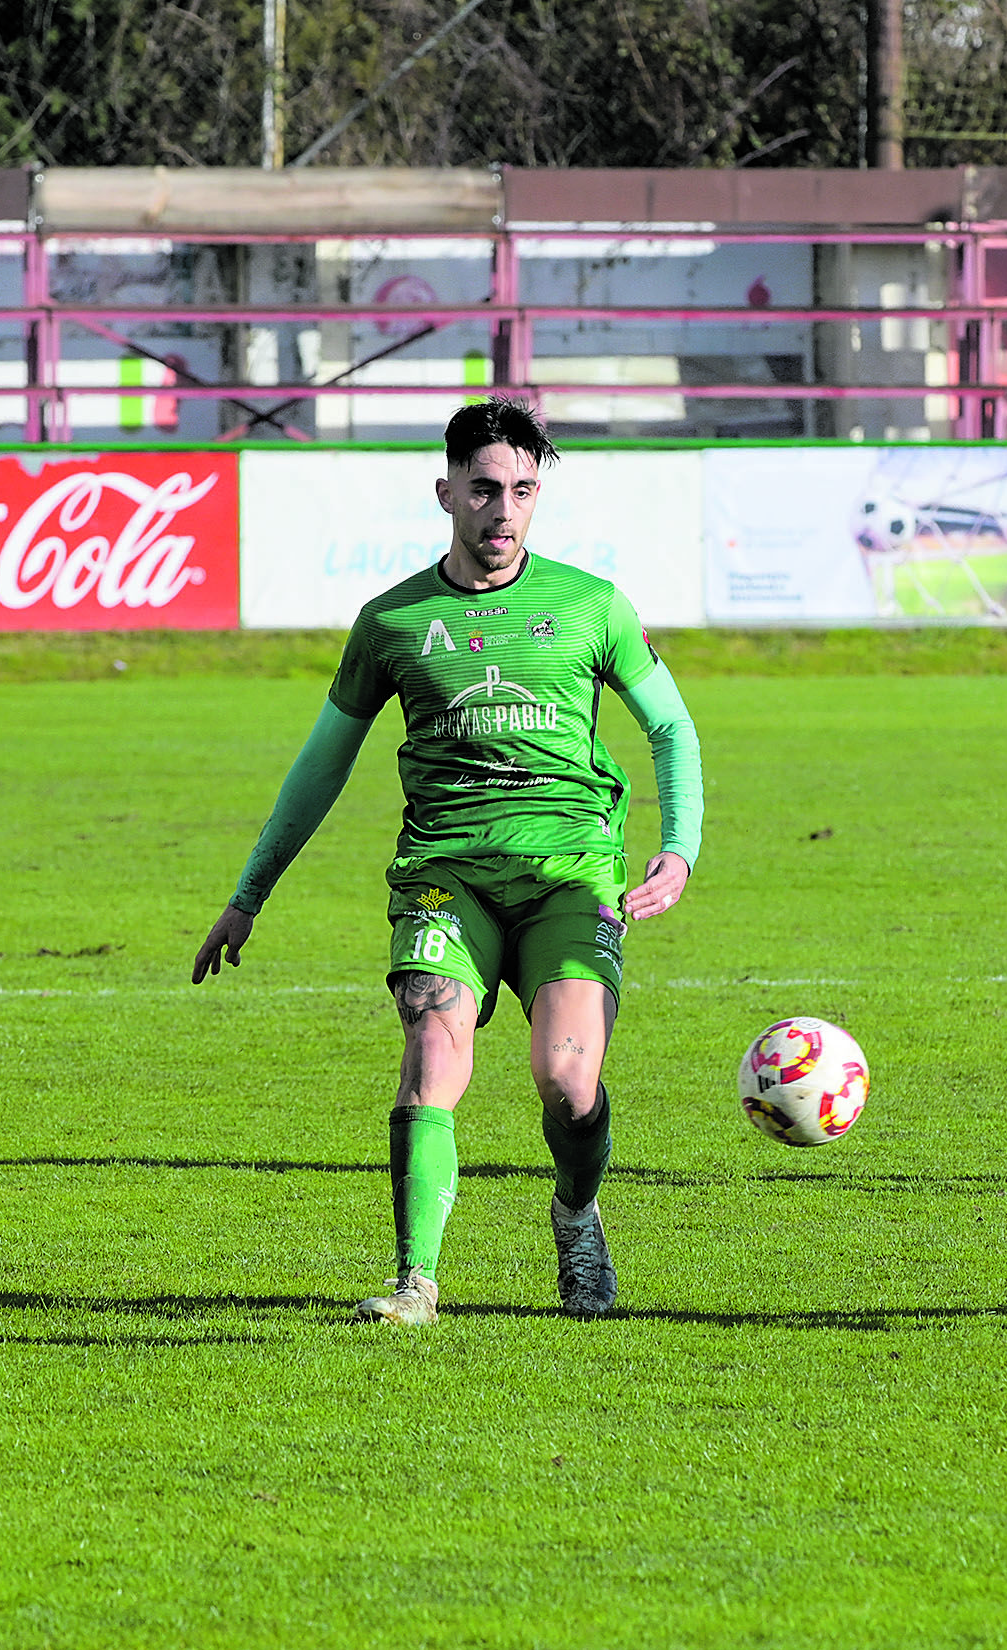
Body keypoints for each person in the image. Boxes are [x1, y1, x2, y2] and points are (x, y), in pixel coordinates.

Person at [191, 397, 703, 1326]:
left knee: (568, 1080)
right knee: (431, 1043)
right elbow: (322, 764)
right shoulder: (392, 623)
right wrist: (248, 895)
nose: (504, 511)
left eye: (523, 490)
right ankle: (415, 1282)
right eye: (484, 490)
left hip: (568, 873)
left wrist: (678, 851)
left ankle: (577, 1212)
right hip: (446, 874)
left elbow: (669, 725)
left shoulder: (592, 606)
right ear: (446, 493)